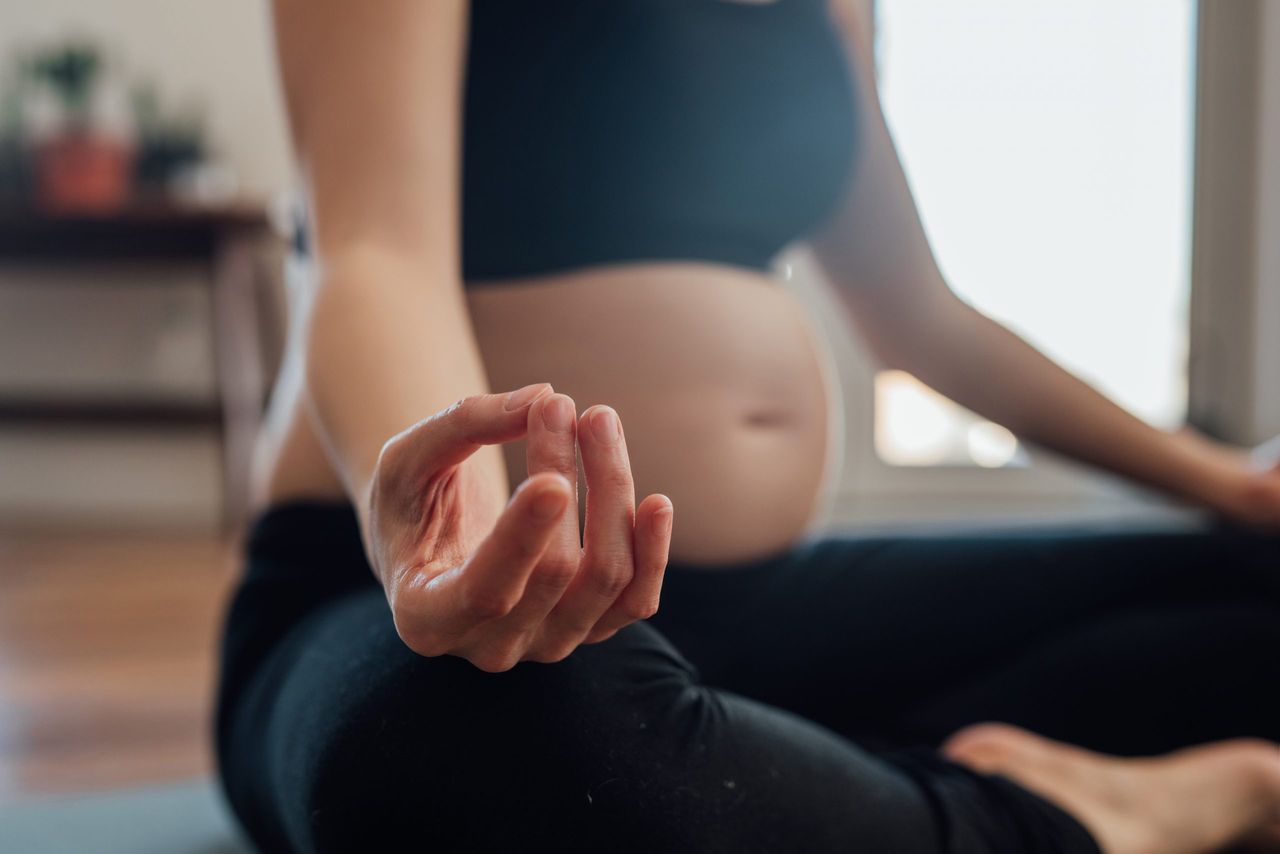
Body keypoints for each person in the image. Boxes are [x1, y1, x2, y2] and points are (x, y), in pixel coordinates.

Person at [216, 1, 1280, 852]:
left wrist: (1225, 485)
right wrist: (489, 553)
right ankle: (1081, 817)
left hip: (742, 607)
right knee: (515, 737)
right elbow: (374, 252)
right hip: (395, 605)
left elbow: (920, 318)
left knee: (1253, 590)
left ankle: (810, 778)